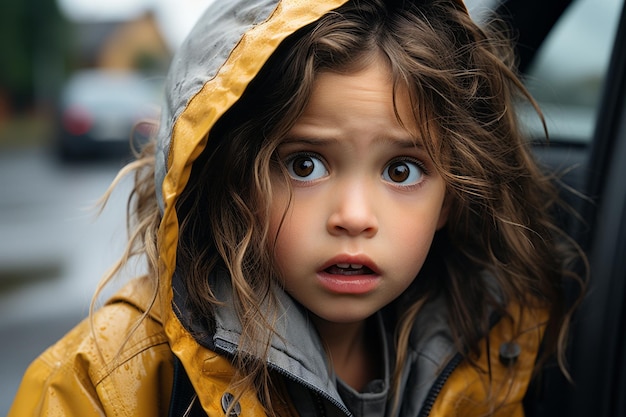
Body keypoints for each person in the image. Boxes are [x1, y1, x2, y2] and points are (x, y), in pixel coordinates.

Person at [9, 0, 584, 416]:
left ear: (453, 198)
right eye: (304, 164)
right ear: (229, 176)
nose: (354, 216)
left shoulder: (488, 348)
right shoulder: (106, 383)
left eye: (402, 170)